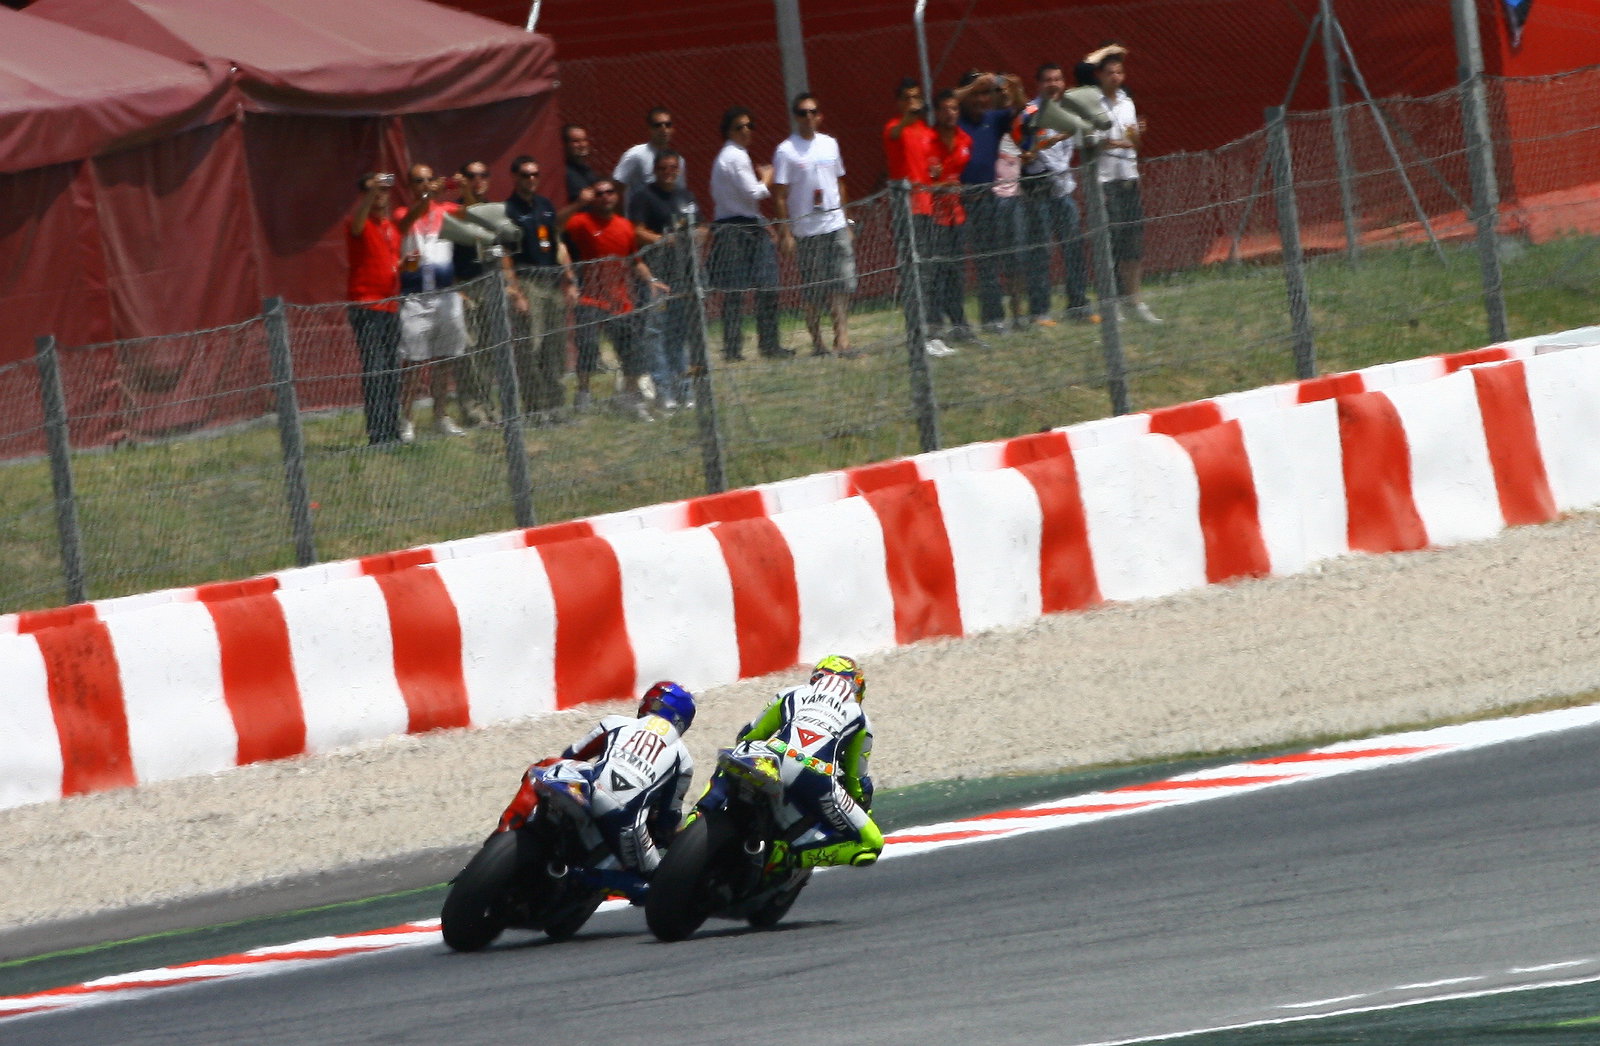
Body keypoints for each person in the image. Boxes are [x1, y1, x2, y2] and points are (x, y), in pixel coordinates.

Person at [497, 682, 697, 881]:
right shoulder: (684, 759)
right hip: (627, 825)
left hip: (591, 791)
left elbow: (571, 755)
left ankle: (504, 830)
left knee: (544, 766)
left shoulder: (616, 722)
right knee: (660, 881)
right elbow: (668, 818)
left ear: (652, 705)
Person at [697, 655, 882, 870]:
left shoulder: (791, 694)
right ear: (856, 687)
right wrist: (862, 804)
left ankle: (698, 815)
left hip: (772, 757)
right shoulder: (860, 718)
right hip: (817, 777)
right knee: (871, 843)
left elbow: (749, 735)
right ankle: (787, 857)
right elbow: (856, 780)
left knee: (734, 754)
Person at [563, 177, 667, 418]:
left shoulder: (625, 226)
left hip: (620, 300)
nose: (606, 196)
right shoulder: (581, 222)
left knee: (631, 350)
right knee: (587, 345)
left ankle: (630, 398)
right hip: (590, 297)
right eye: (600, 193)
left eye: (610, 192)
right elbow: (556, 228)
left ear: (616, 196)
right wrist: (579, 203)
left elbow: (634, 261)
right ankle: (583, 393)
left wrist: (651, 280)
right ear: (594, 198)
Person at [773, 92, 856, 358]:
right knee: (814, 289)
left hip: (835, 224)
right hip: (807, 231)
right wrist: (785, 233)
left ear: (820, 116)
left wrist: (847, 219)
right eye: (802, 113)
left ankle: (842, 340)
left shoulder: (830, 144)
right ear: (795, 117)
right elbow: (780, 195)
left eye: (812, 112)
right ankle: (818, 343)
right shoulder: (786, 150)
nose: (808, 117)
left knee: (842, 284)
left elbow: (839, 182)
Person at [394, 163, 470, 439]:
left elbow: (472, 215)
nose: (425, 185)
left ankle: (440, 416)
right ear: (410, 186)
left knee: (444, 360)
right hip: (415, 298)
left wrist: (465, 189)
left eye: (428, 180)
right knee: (413, 363)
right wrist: (427, 198)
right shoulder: (404, 212)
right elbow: (404, 224)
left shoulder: (446, 212)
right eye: (418, 181)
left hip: (446, 295)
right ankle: (406, 421)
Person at [709, 106, 791, 361]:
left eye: (749, 126)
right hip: (733, 228)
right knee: (741, 290)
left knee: (757, 287)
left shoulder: (734, 155)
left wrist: (761, 221)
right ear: (728, 131)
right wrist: (767, 177)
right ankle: (757, 346)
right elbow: (754, 193)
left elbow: (748, 202)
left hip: (746, 222)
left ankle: (743, 347)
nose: (746, 131)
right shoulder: (734, 156)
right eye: (739, 127)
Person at [1089, 44, 1163, 324]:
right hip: (1105, 180)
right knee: (1110, 243)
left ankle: (1133, 299)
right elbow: (1095, 141)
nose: (1116, 77)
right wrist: (1122, 142)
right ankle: (1110, 301)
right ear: (1100, 75)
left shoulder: (1127, 102)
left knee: (1133, 242)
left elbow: (1134, 141)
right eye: (1110, 73)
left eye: (1119, 72)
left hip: (1128, 177)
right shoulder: (1094, 102)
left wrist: (1137, 135)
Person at [452, 160, 528, 426]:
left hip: (492, 285)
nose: (478, 180)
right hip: (466, 286)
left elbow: (504, 252)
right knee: (469, 353)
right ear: (462, 180)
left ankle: (489, 406)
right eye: (472, 176)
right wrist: (456, 289)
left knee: (490, 351)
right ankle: (473, 410)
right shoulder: (455, 211)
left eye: (483, 175)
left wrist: (514, 287)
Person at [954, 69, 1028, 337]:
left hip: (987, 199)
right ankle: (953, 321)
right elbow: (941, 102)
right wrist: (973, 85)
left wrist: (1011, 85)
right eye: (976, 94)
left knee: (990, 260)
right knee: (955, 264)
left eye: (985, 94)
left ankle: (993, 317)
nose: (980, 99)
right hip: (958, 200)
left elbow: (1023, 110)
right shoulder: (954, 120)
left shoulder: (992, 120)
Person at [505, 155, 580, 418]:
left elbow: (558, 244)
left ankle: (557, 406)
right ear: (515, 177)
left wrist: (569, 278)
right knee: (531, 347)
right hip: (528, 281)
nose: (532, 179)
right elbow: (505, 255)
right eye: (526, 175)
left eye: (535, 174)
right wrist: (515, 291)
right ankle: (536, 409)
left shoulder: (545, 206)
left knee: (555, 347)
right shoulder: (509, 211)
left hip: (552, 282)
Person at [1020, 63, 1095, 325]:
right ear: (1039, 85)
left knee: (1074, 247)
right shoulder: (1030, 112)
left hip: (1063, 189)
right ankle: (1039, 311)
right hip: (1039, 188)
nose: (1053, 84)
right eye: (1048, 80)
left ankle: (1079, 305)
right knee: (1040, 249)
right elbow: (1033, 149)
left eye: (1058, 79)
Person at [882, 78, 952, 358]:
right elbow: (897, 135)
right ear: (900, 102)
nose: (914, 103)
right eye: (908, 98)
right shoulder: (893, 128)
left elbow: (932, 165)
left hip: (929, 207)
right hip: (907, 208)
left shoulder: (927, 132)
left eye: (917, 97)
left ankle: (933, 331)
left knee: (930, 271)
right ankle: (918, 334)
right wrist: (907, 118)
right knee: (914, 272)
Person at [626, 149, 700, 411]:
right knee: (656, 335)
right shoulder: (643, 197)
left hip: (682, 276)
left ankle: (685, 391)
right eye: (663, 168)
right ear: (655, 171)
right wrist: (662, 240)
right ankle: (664, 392)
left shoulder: (685, 196)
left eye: (673, 167)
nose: (669, 172)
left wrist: (696, 236)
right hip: (656, 277)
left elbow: (698, 226)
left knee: (678, 337)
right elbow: (635, 230)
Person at [345, 171, 404, 446]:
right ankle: (378, 432)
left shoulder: (390, 227)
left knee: (392, 367)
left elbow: (390, 264)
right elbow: (357, 225)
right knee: (375, 367)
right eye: (374, 190)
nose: (380, 194)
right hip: (367, 304)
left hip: (391, 304)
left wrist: (407, 265)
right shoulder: (358, 224)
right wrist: (371, 190)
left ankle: (393, 427)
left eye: (384, 190)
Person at [925, 90, 974, 350]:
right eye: (945, 109)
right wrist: (941, 185)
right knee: (937, 274)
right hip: (934, 217)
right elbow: (919, 181)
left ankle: (959, 323)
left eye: (954, 108)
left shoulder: (965, 139)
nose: (950, 114)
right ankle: (934, 328)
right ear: (936, 112)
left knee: (956, 272)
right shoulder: (927, 141)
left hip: (957, 215)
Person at [613, 107, 684, 202]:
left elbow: (680, 191)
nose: (663, 129)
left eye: (668, 125)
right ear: (650, 129)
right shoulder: (636, 155)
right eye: (657, 125)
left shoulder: (678, 160)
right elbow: (617, 186)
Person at [563, 123, 601, 210]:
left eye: (584, 140)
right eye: (576, 141)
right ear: (565, 145)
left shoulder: (587, 170)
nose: (582, 145)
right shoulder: (564, 172)